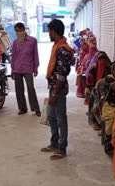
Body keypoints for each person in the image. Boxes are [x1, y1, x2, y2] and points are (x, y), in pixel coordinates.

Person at [41, 19, 74, 160]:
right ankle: (54, 143)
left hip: (58, 89)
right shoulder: (57, 46)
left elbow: (61, 74)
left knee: (61, 119)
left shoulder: (62, 50)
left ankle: (62, 148)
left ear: (54, 32)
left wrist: (54, 93)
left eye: (49, 31)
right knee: (52, 117)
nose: (48, 33)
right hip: (53, 87)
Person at [11, 22, 41, 116]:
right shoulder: (15, 42)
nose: (17, 33)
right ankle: (22, 108)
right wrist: (12, 69)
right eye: (16, 31)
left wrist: (35, 67)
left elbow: (35, 54)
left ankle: (36, 108)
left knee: (30, 88)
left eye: (18, 31)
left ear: (23, 30)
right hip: (17, 68)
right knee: (19, 89)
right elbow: (13, 56)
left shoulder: (33, 40)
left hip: (28, 68)